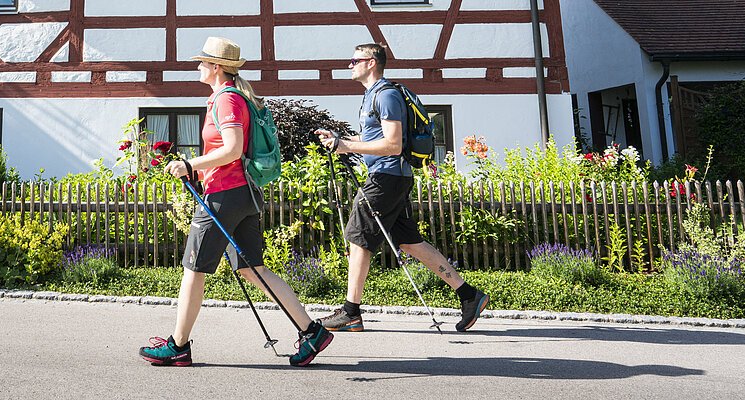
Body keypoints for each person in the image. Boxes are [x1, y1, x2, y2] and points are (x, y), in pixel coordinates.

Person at [140, 37, 333, 367]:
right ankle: (312, 331)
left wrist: (190, 165)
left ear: (216, 67)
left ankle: (178, 346)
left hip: (225, 195)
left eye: (202, 63)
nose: (198, 67)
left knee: (194, 268)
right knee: (252, 268)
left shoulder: (227, 100)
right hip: (242, 194)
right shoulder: (231, 97)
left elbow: (232, 148)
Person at [314, 43, 489, 333]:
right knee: (409, 242)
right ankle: (469, 296)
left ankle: (350, 312)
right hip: (391, 177)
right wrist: (342, 140)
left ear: (371, 63)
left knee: (358, 237)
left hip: (387, 177)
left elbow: (393, 145)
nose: (350, 65)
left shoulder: (386, 95)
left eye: (354, 60)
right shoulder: (373, 96)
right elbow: (374, 136)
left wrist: (347, 146)